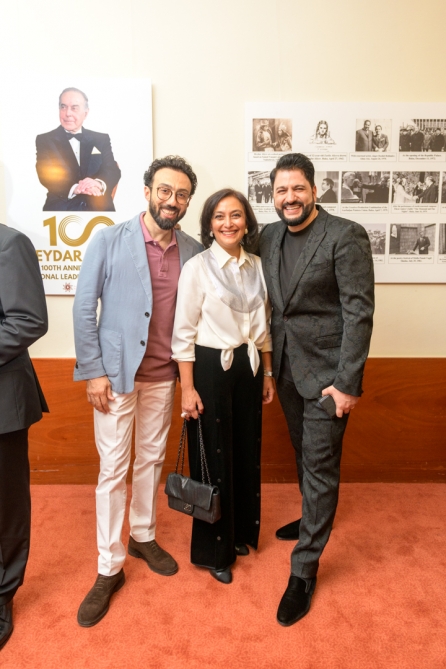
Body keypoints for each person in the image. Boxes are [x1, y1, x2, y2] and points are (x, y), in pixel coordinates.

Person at [73, 156, 202, 627]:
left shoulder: (193, 250)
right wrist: (93, 371)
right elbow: (84, 307)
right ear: (147, 191)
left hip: (164, 376)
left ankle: (143, 535)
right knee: (113, 469)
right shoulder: (109, 239)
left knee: (150, 460)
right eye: (165, 190)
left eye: (182, 194)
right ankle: (109, 566)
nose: (172, 200)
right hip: (115, 377)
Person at [258, 153, 374, 627]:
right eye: (281, 190)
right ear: (273, 195)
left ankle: (304, 571)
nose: (290, 198)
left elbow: (359, 312)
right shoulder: (268, 236)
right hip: (286, 370)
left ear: (314, 190)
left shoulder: (345, 235)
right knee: (302, 453)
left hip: (328, 379)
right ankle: (312, 517)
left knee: (320, 465)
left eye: (298, 188)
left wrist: (347, 384)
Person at [171, 189, 274, 585]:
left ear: (247, 222)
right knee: (213, 459)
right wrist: (187, 389)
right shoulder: (196, 267)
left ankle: (240, 533)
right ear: (209, 224)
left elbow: (265, 326)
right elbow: (183, 334)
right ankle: (214, 551)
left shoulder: (258, 265)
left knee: (246, 451)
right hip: (210, 368)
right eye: (219, 216)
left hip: (249, 367)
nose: (228, 223)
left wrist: (267, 374)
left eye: (235, 215)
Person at [0, 225, 48, 649]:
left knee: (6, 507)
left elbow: (28, 320)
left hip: (2, 405)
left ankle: (2, 594)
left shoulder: (9, 243)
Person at [36, 87, 121, 212]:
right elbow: (45, 173)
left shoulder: (101, 139)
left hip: (99, 209)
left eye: (74, 108)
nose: (67, 113)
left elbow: (112, 169)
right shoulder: (45, 140)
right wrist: (75, 188)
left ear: (85, 113)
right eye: (63, 107)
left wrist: (98, 183)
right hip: (60, 209)